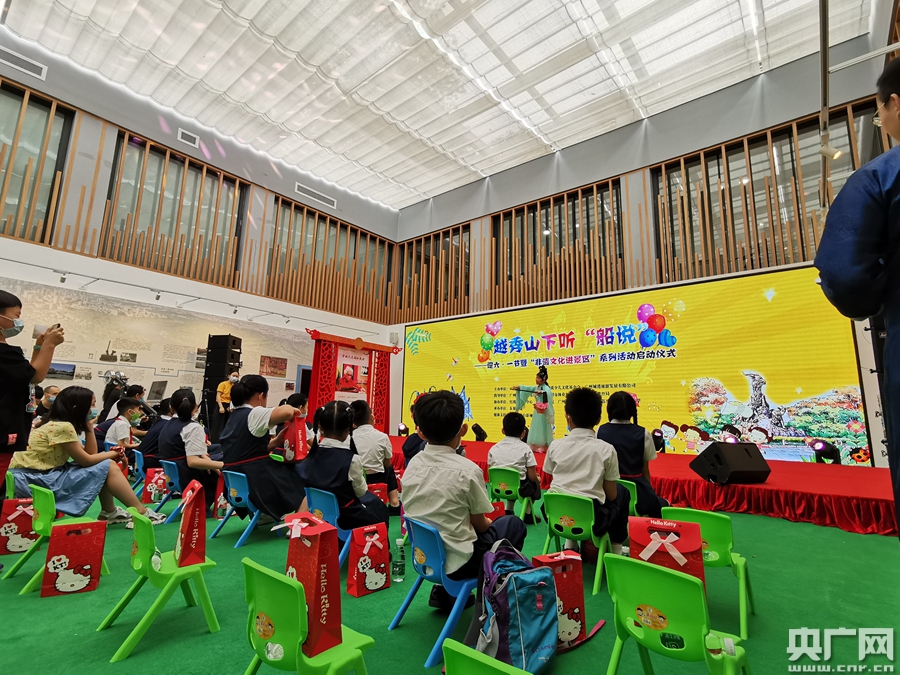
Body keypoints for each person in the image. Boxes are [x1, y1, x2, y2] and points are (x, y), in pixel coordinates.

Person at [815, 58, 900, 539]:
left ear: (895, 104)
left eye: (879, 110)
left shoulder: (880, 177)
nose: (880, 118)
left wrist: (880, 291)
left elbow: (846, 276)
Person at [402, 391, 526, 609]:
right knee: (513, 524)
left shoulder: (413, 464)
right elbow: (480, 524)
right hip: (460, 563)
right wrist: (492, 522)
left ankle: (442, 591)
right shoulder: (467, 471)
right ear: (463, 429)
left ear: (419, 431)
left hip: (423, 557)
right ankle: (494, 595)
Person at [8, 385, 165, 525]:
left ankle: (109, 512)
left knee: (104, 466)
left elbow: (90, 454)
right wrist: (112, 453)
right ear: (78, 408)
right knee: (109, 466)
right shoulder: (63, 427)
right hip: (35, 480)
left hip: (33, 476)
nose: (94, 409)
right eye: (92, 404)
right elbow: (87, 460)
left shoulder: (53, 423)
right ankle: (140, 512)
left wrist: (89, 427)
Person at [543, 388, 630, 555]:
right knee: (622, 493)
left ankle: (570, 545)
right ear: (598, 419)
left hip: (554, 515)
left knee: (569, 493)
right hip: (593, 521)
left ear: (567, 417)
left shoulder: (555, 446)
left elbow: (555, 477)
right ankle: (616, 551)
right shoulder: (607, 450)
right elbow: (611, 495)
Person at [220, 375, 307, 519]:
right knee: (304, 478)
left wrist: (275, 442)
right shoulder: (255, 413)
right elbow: (287, 412)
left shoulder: (234, 416)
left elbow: (246, 451)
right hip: (256, 481)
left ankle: (264, 516)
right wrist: (294, 408)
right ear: (261, 396)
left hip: (236, 481)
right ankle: (296, 524)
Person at [0, 290, 65, 474]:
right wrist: (50, 345)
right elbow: (36, 377)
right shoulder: (5, 353)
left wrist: (39, 347)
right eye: (16, 316)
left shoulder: (8, 354)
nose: (18, 321)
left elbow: (26, 375)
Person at [298, 401, 389, 529]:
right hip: (346, 519)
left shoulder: (310, 456)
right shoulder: (352, 459)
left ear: (320, 427)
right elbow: (361, 492)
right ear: (348, 429)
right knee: (378, 507)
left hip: (318, 514)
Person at [596, 391, 668, 519]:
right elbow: (645, 471)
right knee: (663, 504)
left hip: (607, 495)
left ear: (609, 410)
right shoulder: (643, 433)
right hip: (638, 496)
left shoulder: (600, 431)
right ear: (632, 411)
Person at [158, 389, 223, 512]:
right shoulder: (193, 427)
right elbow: (193, 462)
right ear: (196, 406)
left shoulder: (167, 425)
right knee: (230, 462)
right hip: (188, 475)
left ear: (171, 408)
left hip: (174, 474)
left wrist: (207, 460)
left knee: (216, 454)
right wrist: (223, 465)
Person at [487, 411, 541, 521]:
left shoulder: (494, 448)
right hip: (519, 490)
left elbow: (490, 471)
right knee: (533, 481)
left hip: (497, 487)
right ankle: (528, 513)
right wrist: (538, 478)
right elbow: (532, 476)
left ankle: (509, 509)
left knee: (510, 477)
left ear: (503, 430)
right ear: (524, 433)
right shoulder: (526, 449)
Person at [350, 399, 400, 508]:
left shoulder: (349, 438)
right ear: (371, 417)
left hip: (355, 479)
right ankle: (395, 502)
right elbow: (387, 464)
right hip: (378, 477)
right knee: (389, 468)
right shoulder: (382, 437)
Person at [514, 365, 554, 453]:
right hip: (537, 411)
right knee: (536, 427)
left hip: (543, 412)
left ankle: (543, 445)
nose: (536, 379)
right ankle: (535, 445)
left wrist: (542, 393)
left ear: (544, 379)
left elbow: (548, 394)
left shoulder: (546, 388)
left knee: (542, 427)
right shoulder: (537, 387)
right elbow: (529, 388)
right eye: (536, 377)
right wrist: (520, 388)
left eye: (538, 378)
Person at [137, 398, 172, 471]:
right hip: (150, 463)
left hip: (143, 461)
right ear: (171, 409)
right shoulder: (168, 426)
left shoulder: (160, 421)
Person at [213, 369, 239, 442]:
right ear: (229, 376)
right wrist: (221, 407)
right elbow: (218, 396)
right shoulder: (223, 384)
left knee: (226, 424)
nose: (235, 377)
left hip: (229, 406)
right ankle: (215, 441)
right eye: (233, 375)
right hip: (221, 404)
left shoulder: (234, 386)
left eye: (237, 376)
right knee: (218, 424)